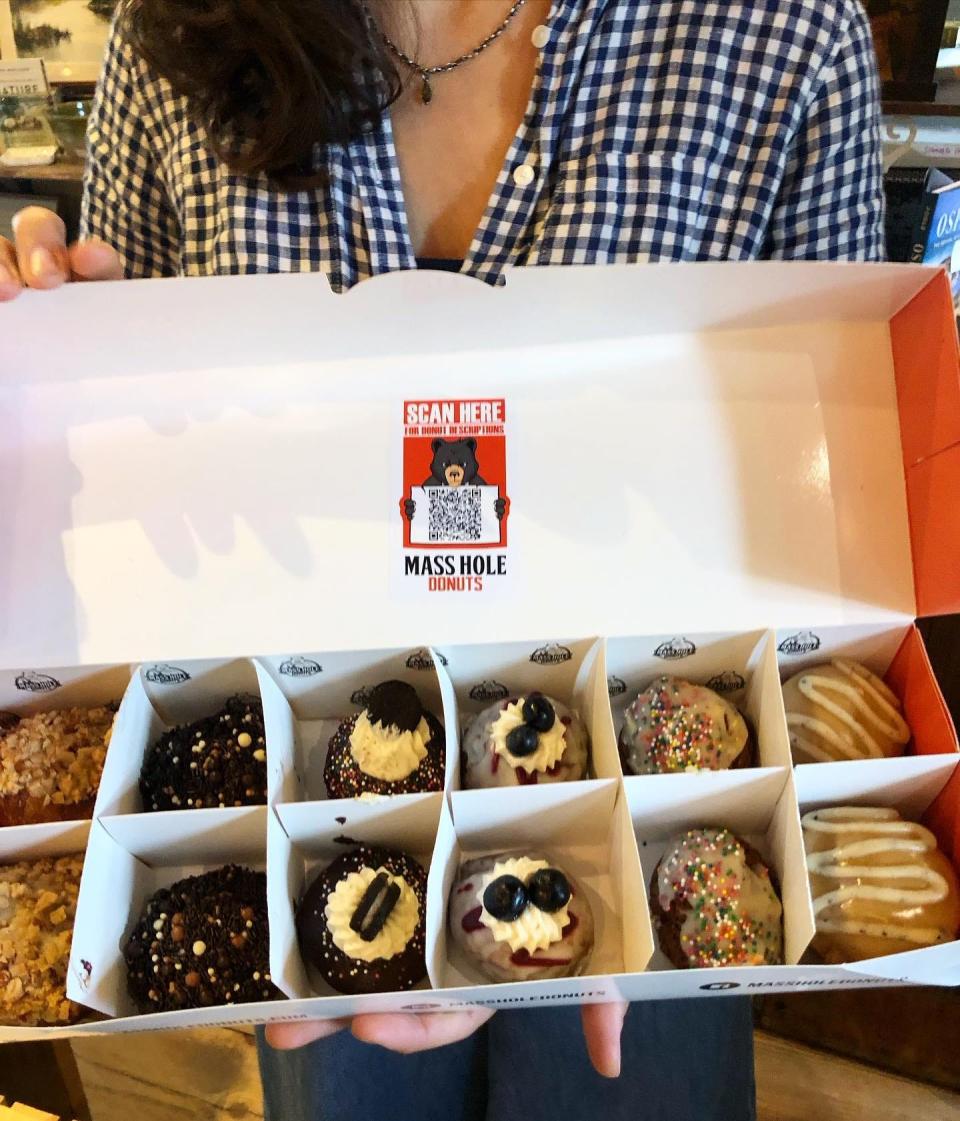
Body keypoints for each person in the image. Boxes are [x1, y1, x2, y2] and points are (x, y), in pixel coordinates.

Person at [0, 2, 885, 1118]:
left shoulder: (785, 32)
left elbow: (837, 453)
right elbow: (119, 455)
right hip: (308, 884)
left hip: (666, 854)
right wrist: (41, 375)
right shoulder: (173, 29)